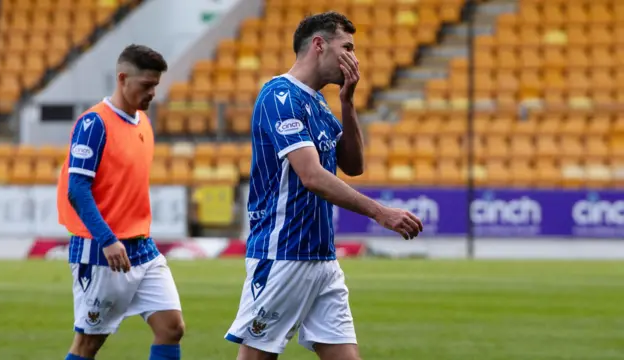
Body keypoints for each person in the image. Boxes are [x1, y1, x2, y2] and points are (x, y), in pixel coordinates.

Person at [224, 12, 423, 360]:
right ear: (319, 45)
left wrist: (347, 102)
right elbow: (312, 176)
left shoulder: (317, 103)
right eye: (347, 47)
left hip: (321, 259)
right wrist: (380, 213)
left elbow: (354, 165)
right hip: (282, 253)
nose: (354, 58)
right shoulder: (279, 97)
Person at [57, 44, 185, 360]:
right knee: (87, 344)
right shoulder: (94, 124)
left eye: (156, 85)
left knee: (171, 327)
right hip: (102, 249)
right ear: (123, 78)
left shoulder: (143, 122)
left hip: (142, 247)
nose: (153, 92)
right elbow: (77, 190)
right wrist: (108, 239)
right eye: (146, 85)